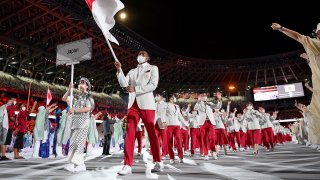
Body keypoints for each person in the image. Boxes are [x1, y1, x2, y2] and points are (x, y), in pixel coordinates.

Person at [114, 50, 163, 175]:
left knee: (151, 133)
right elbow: (124, 84)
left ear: (147, 57)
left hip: (147, 104)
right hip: (133, 105)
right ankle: (127, 164)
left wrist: (136, 88)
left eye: (143, 54)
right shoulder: (132, 71)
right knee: (130, 133)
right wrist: (119, 70)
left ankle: (158, 161)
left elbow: (153, 85)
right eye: (139, 54)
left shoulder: (153, 68)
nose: (140, 55)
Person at [271, 22, 320, 145]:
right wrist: (308, 58)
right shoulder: (315, 49)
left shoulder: (315, 43)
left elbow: (298, 36)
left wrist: (281, 28)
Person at [62, 77, 95, 172]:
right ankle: (71, 164)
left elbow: (88, 108)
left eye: (83, 83)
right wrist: (69, 89)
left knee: (79, 144)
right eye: (80, 83)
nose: (80, 85)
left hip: (83, 122)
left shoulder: (89, 97)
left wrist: (75, 110)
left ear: (87, 86)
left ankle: (80, 164)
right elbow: (64, 98)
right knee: (73, 143)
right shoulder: (76, 95)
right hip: (74, 122)